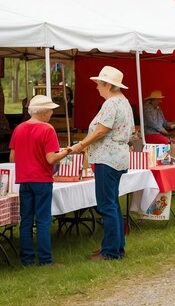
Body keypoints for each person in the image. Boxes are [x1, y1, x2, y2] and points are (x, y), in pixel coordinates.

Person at [69, 66, 134, 261]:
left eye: (98, 84)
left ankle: (111, 252)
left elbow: (100, 131)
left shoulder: (111, 103)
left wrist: (80, 145)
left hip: (108, 158)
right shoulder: (124, 102)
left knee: (107, 205)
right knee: (111, 204)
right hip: (117, 157)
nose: (96, 87)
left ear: (108, 85)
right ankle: (114, 247)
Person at [9, 95, 71, 266]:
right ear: (43, 112)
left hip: (24, 180)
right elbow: (51, 159)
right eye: (50, 110)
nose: (52, 113)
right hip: (42, 179)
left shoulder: (19, 128)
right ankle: (45, 260)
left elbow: (13, 158)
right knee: (43, 220)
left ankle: (27, 260)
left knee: (26, 220)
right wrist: (67, 152)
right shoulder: (47, 129)